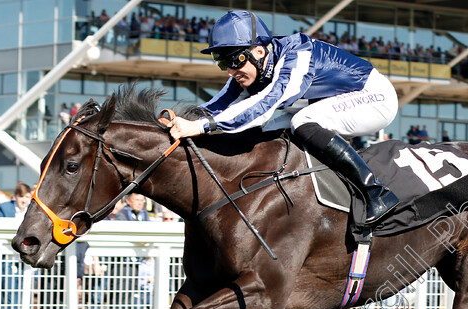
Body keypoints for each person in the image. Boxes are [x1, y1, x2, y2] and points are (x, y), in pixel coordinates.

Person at [167, 10, 399, 227]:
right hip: (329, 103)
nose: (230, 70)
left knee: (302, 121)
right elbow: (217, 106)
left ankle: (375, 192)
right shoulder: (250, 68)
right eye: (222, 62)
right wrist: (183, 120)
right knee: (262, 133)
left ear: (258, 51)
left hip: (374, 98)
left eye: (234, 60)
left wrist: (201, 126)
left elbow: (265, 105)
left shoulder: (297, 57)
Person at [0, 182, 33, 309]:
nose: (24, 201)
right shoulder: (4, 208)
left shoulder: (34, 211)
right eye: (21, 197)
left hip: (26, 262)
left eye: (26, 197)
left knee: (19, 300)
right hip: (7, 261)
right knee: (8, 300)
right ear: (15, 197)